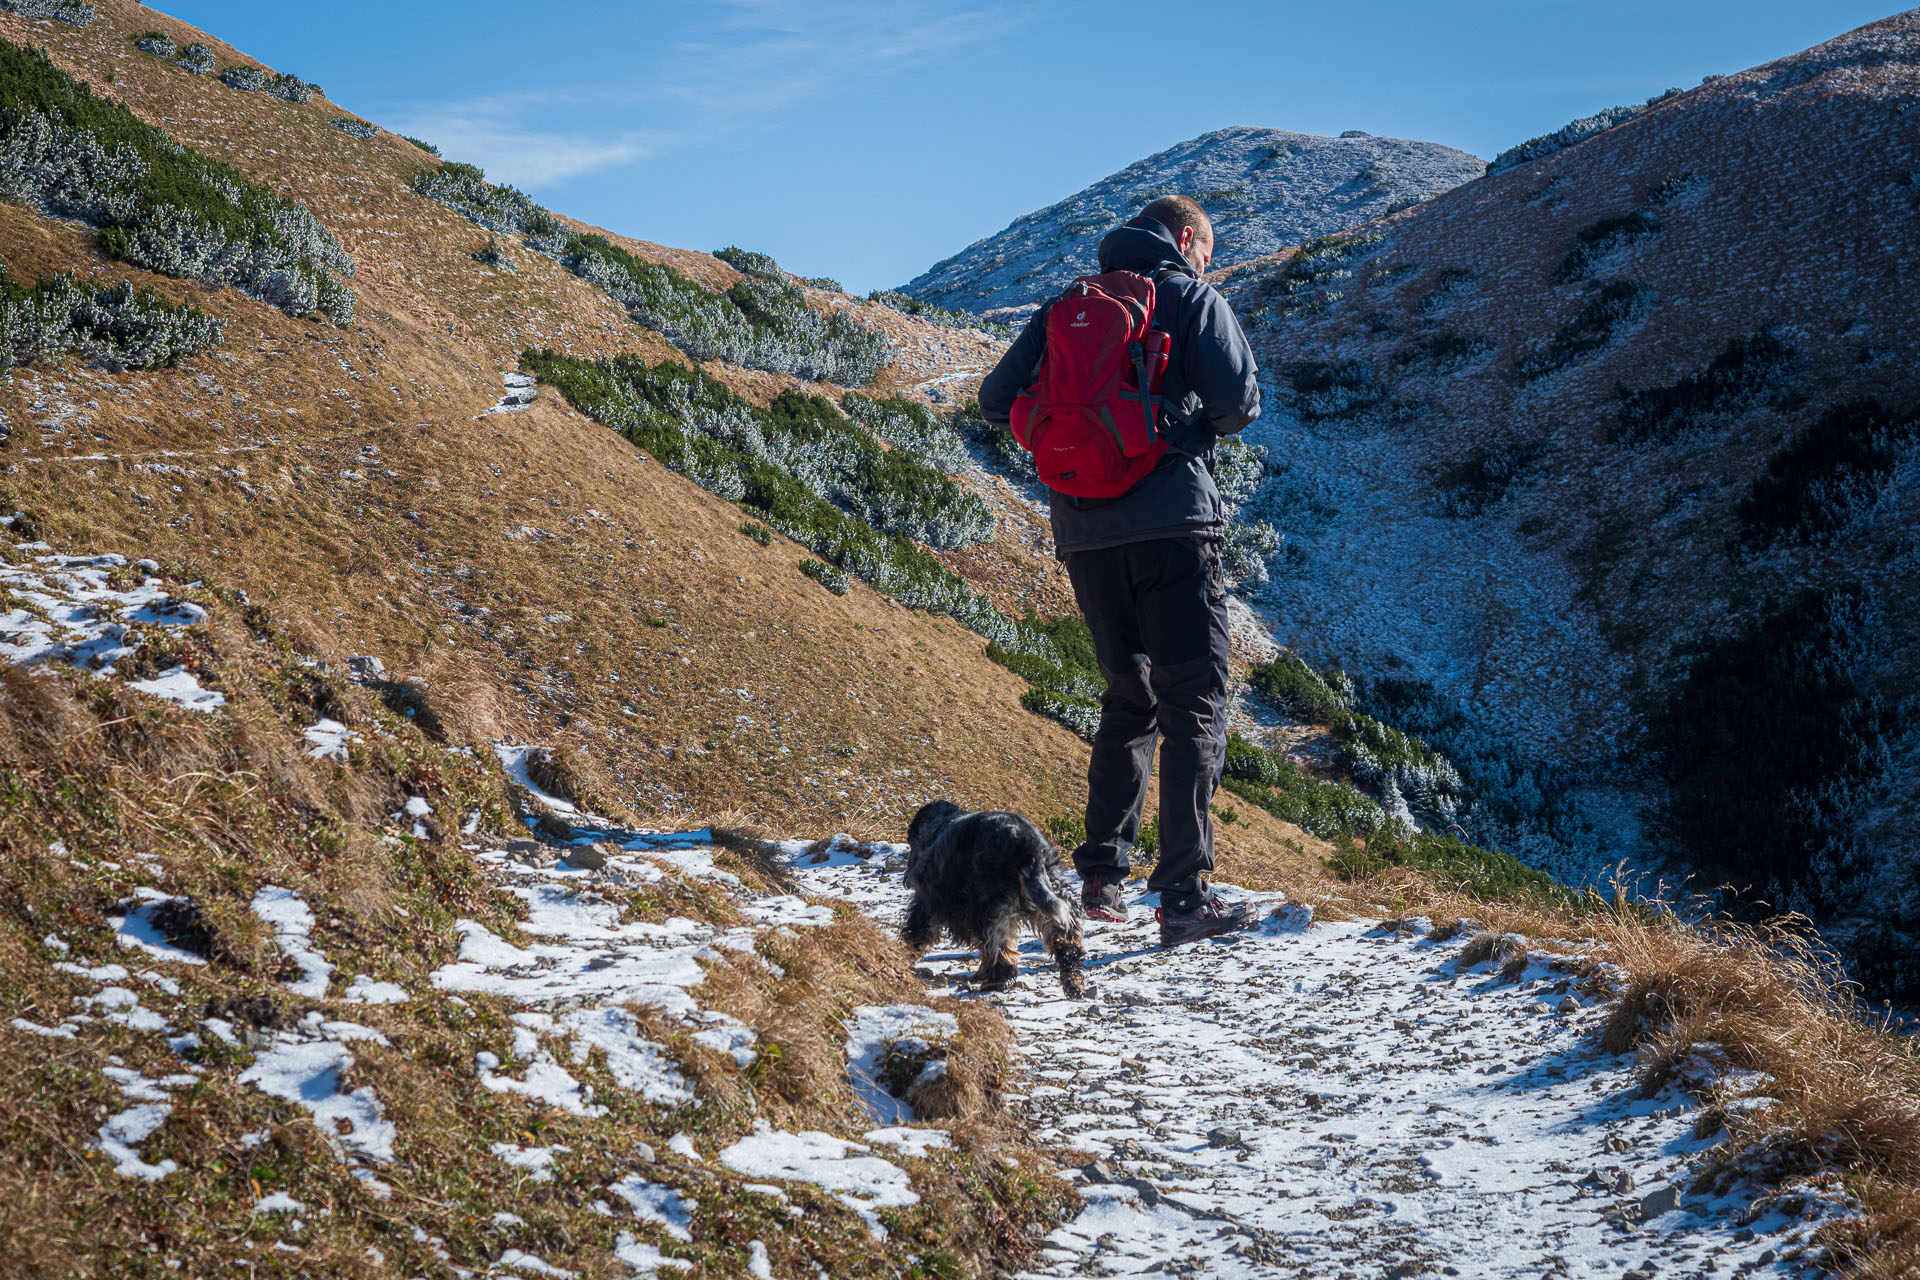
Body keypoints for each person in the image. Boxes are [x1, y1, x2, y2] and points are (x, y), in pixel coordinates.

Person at [978, 195, 1264, 947]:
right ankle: (1183, 900)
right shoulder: (1191, 296)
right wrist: (1177, 435)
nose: (1207, 260)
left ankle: (1102, 878)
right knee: (1194, 702)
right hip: (1173, 524)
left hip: (1083, 531)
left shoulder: (1064, 307)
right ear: (1184, 239)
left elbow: (995, 398)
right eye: (1207, 247)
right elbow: (1241, 402)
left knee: (1126, 698)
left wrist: (1068, 452)